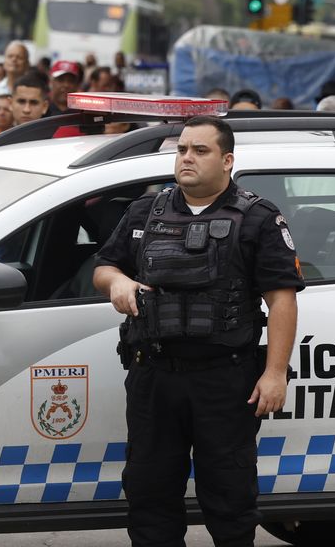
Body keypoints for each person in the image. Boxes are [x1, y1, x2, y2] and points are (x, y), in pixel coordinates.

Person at [92, 116, 302, 547]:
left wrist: (275, 373)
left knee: (229, 498)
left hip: (224, 380)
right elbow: (104, 267)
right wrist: (117, 281)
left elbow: (281, 299)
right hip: (153, 375)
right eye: (183, 149)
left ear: (227, 161)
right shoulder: (144, 210)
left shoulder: (257, 217)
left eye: (200, 150)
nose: (187, 157)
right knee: (150, 494)